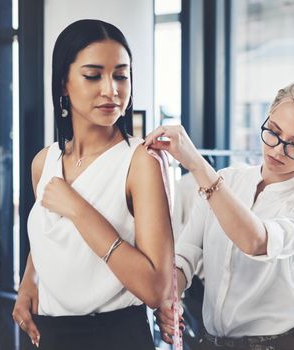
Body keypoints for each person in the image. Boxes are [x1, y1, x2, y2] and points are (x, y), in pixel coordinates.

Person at [11, 19, 174, 350]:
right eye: (93, 75)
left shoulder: (140, 161)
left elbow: (155, 288)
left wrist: (79, 210)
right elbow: (48, 233)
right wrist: (27, 283)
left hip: (116, 336)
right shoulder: (44, 162)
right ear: (63, 84)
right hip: (51, 336)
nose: (111, 90)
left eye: (121, 75)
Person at [148, 81, 294, 350]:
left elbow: (256, 241)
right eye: (274, 133)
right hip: (212, 342)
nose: (277, 150)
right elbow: (187, 251)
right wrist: (170, 296)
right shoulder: (228, 180)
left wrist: (196, 163)